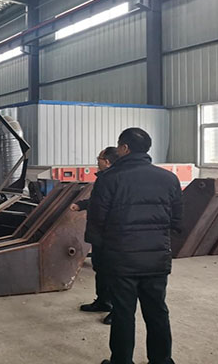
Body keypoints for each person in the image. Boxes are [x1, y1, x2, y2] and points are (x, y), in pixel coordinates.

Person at [88, 128, 182, 364]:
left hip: (121, 259)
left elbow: (97, 222)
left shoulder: (109, 179)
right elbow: (177, 221)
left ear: (124, 148)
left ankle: (121, 361)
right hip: (156, 260)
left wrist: (103, 255)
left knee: (123, 313)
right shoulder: (169, 179)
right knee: (157, 311)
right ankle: (162, 360)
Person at [71, 146, 119, 325]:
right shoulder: (104, 178)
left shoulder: (115, 178)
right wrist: (82, 205)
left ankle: (117, 309)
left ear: (107, 161)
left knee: (113, 272)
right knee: (101, 268)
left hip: (111, 234)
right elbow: (98, 201)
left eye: (98, 158)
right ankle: (103, 301)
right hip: (99, 234)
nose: (96, 161)